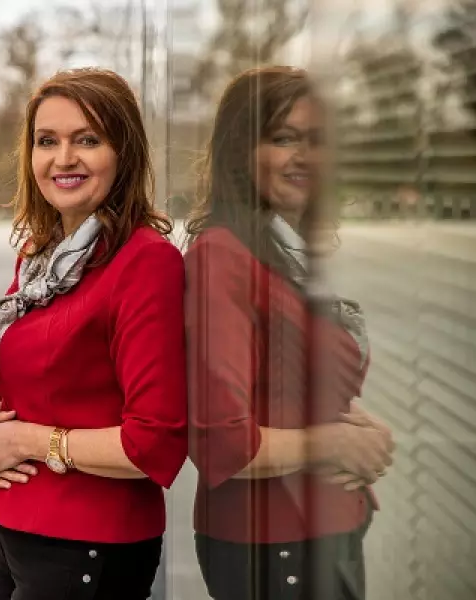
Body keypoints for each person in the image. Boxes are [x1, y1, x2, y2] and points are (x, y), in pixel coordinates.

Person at [0, 67, 188, 600]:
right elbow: (26, 374)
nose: (64, 158)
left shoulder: (145, 263)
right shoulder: (43, 256)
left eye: (87, 140)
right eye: (47, 141)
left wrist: (27, 440)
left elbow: (154, 443)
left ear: (123, 154)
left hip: (86, 544)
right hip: (10, 523)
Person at [183, 65, 395, 600]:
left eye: (317, 141)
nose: (304, 156)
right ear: (241, 153)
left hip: (320, 531)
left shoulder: (289, 256)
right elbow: (222, 441)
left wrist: (365, 435)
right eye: (283, 139)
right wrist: (333, 443)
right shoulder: (223, 258)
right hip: (273, 544)